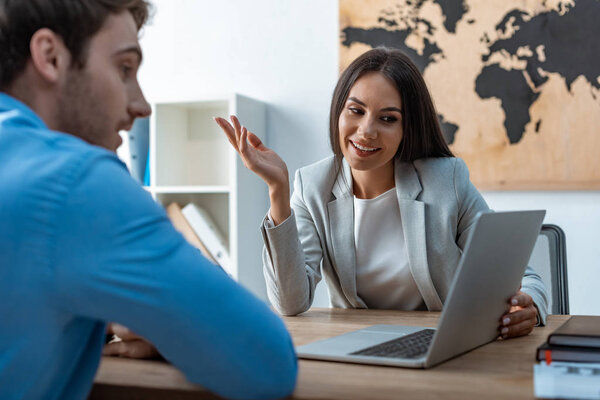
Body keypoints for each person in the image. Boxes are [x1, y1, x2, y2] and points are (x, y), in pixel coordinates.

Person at [0, 1, 296, 399]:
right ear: (51, 57)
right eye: (124, 69)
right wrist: (176, 331)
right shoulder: (77, 182)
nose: (141, 105)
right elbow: (268, 362)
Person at [215, 47, 548, 339]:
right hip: (358, 348)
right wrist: (278, 190)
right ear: (339, 110)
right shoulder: (311, 186)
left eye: (388, 119)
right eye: (356, 110)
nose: (366, 131)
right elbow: (289, 302)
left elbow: (523, 275)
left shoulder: (446, 180)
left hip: (441, 345)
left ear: (407, 128)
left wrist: (529, 305)